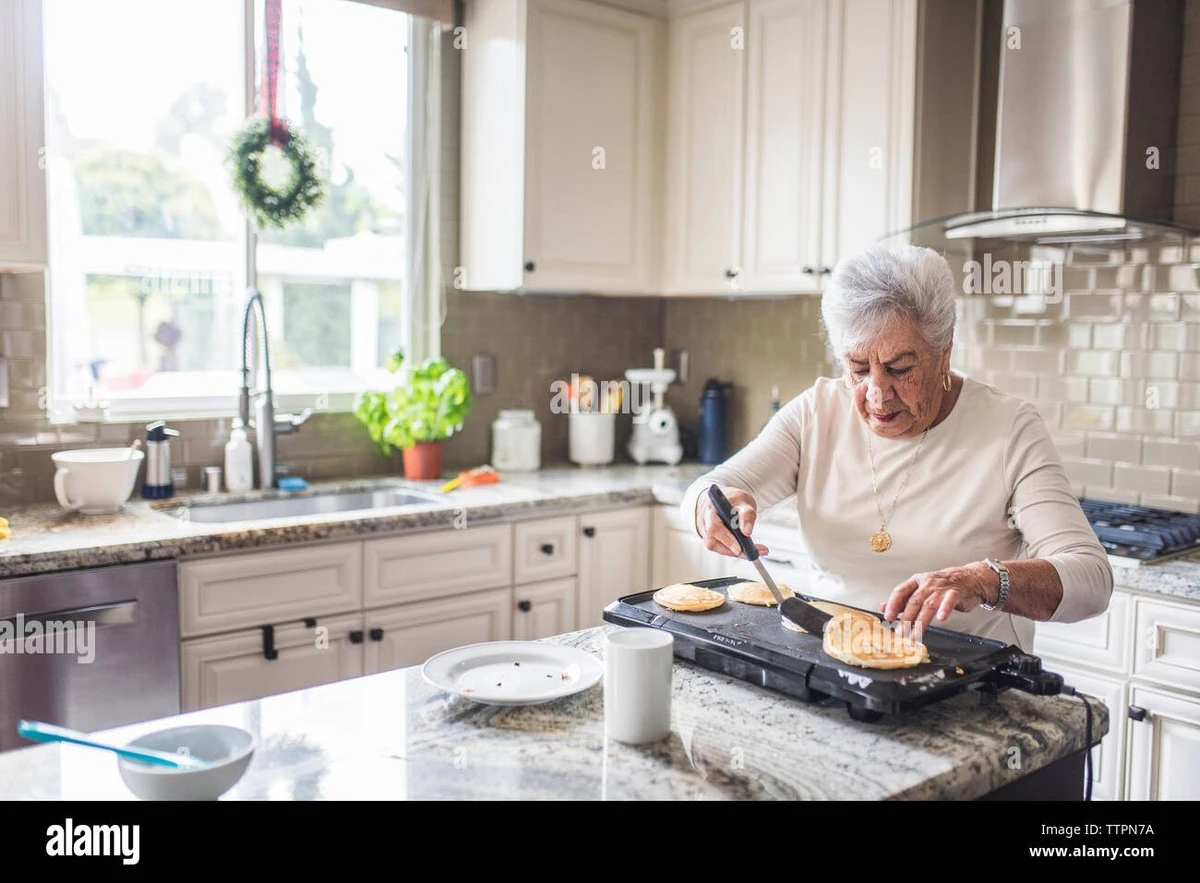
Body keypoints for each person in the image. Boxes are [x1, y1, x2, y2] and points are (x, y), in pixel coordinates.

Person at [681, 245, 1112, 651]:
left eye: (899, 369)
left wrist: (982, 580)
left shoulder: (1009, 429)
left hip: (967, 680)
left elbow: (1091, 580)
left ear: (944, 352)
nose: (877, 394)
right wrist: (709, 508)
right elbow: (712, 488)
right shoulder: (817, 412)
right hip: (833, 661)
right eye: (857, 369)